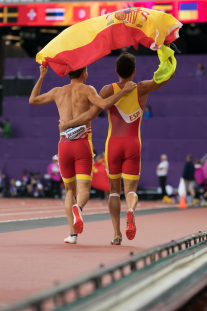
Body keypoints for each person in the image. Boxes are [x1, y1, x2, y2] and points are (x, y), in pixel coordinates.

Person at [59, 48, 175, 245]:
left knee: (114, 191)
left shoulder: (107, 90)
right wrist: (168, 53)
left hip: (113, 144)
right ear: (134, 71)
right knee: (130, 191)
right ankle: (130, 210)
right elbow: (165, 77)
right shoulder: (142, 88)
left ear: (116, 71)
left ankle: (116, 234)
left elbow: (89, 116)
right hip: (132, 144)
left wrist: (68, 124)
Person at [29, 65, 136, 244]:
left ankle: (72, 235)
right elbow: (103, 104)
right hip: (82, 144)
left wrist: (41, 76)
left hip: (63, 144)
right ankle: (78, 207)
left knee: (69, 190)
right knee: (84, 189)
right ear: (84, 73)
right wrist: (123, 91)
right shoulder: (88, 89)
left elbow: (33, 99)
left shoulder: (57, 91)